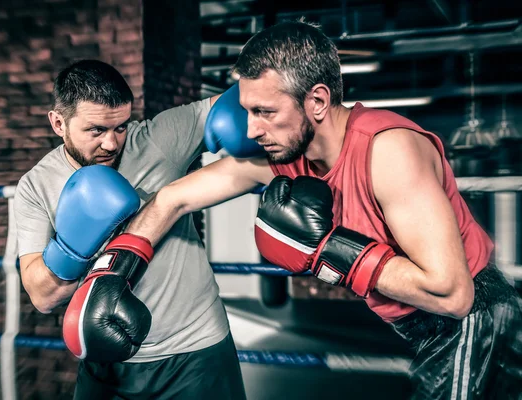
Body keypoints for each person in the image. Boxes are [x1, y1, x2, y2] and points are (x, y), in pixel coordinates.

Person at [121, 21, 522, 399]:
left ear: (316, 101)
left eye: (264, 112)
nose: (249, 130)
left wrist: (329, 250)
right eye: (247, 111)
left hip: (475, 323)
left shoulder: (388, 151)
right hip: (419, 324)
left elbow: (454, 296)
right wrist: (112, 273)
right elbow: (173, 199)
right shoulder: (281, 154)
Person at [13, 59, 246, 399]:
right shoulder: (36, 186)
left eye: (120, 127)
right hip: (105, 360)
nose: (112, 143)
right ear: (58, 122)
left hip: (195, 352)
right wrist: (73, 246)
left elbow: (244, 99)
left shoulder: (159, 139)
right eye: (96, 131)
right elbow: (42, 296)